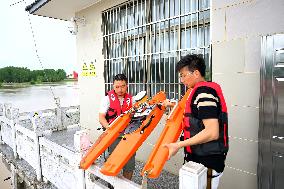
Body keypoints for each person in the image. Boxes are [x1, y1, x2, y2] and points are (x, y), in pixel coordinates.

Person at [163, 54, 228, 189]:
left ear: (196, 73)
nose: (181, 80)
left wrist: (178, 145)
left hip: (207, 163)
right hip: (199, 160)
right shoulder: (200, 91)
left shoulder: (204, 93)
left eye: (183, 75)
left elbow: (212, 132)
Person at [99, 73, 135, 181]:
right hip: (113, 135)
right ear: (113, 86)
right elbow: (101, 118)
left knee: (129, 164)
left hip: (129, 135)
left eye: (123, 86)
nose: (120, 89)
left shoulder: (131, 100)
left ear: (127, 85)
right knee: (112, 163)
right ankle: (112, 185)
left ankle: (126, 185)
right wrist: (109, 129)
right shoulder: (107, 99)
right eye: (117, 87)